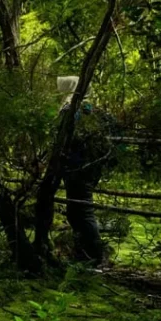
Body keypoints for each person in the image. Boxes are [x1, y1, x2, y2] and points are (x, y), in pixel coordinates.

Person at [57, 76, 108, 263]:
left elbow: (64, 136)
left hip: (77, 166)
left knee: (83, 211)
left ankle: (95, 256)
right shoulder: (92, 109)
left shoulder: (71, 109)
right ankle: (82, 253)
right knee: (74, 210)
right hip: (89, 166)